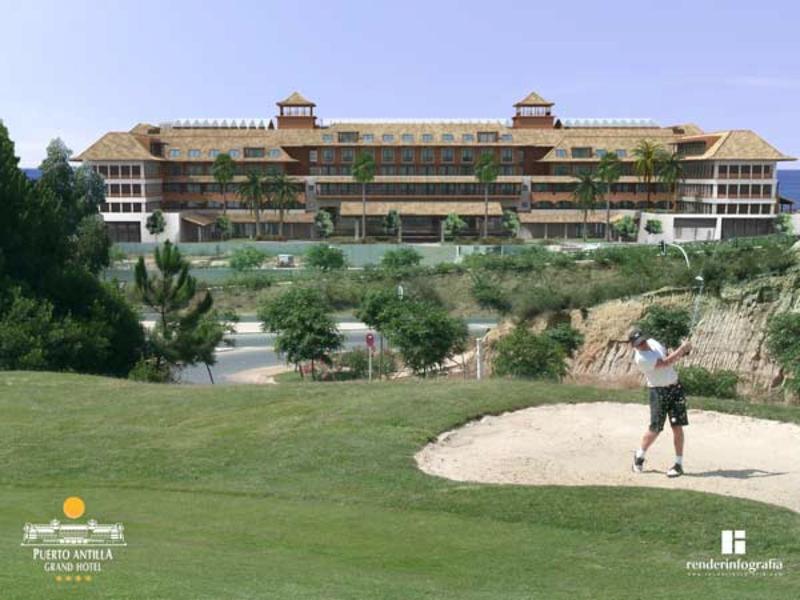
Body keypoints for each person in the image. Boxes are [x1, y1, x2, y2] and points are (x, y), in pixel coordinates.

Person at [628, 329, 692, 478]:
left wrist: (685, 350)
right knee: (656, 428)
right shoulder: (641, 358)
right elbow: (665, 362)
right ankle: (639, 455)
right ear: (634, 346)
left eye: (643, 341)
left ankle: (678, 464)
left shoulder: (653, 342)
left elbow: (666, 354)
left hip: (675, 388)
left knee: (677, 426)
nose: (643, 345)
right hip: (658, 392)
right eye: (638, 344)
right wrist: (682, 350)